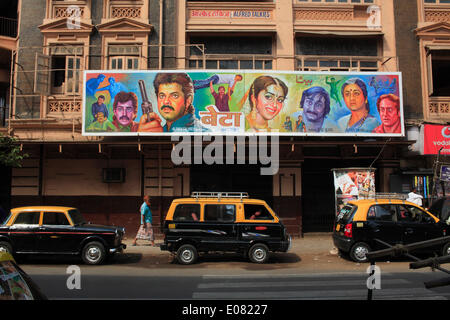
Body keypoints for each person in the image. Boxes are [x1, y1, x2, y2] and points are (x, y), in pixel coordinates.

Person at [138, 72, 209, 132]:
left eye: (174, 96)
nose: (166, 101)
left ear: (188, 101)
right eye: (162, 96)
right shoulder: (161, 130)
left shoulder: (201, 132)